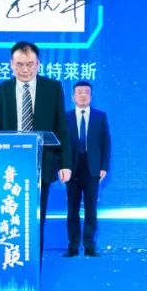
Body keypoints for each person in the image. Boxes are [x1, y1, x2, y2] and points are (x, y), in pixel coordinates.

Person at [0, 41, 71, 260]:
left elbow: (61, 127)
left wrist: (65, 163)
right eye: (20, 64)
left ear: (38, 64)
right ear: (11, 64)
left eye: (30, 64)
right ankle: (11, 262)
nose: (25, 69)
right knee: (12, 217)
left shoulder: (52, 88)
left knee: (35, 220)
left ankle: (33, 270)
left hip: (43, 163)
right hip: (10, 165)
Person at [63, 80, 111, 258]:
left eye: (86, 92)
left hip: (93, 168)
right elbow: (61, 146)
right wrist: (62, 166)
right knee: (72, 208)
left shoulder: (100, 116)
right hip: (72, 169)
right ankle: (73, 247)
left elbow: (106, 143)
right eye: (79, 92)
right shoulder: (65, 117)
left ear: (91, 95)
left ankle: (90, 246)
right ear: (73, 96)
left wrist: (104, 166)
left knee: (91, 208)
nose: (83, 95)